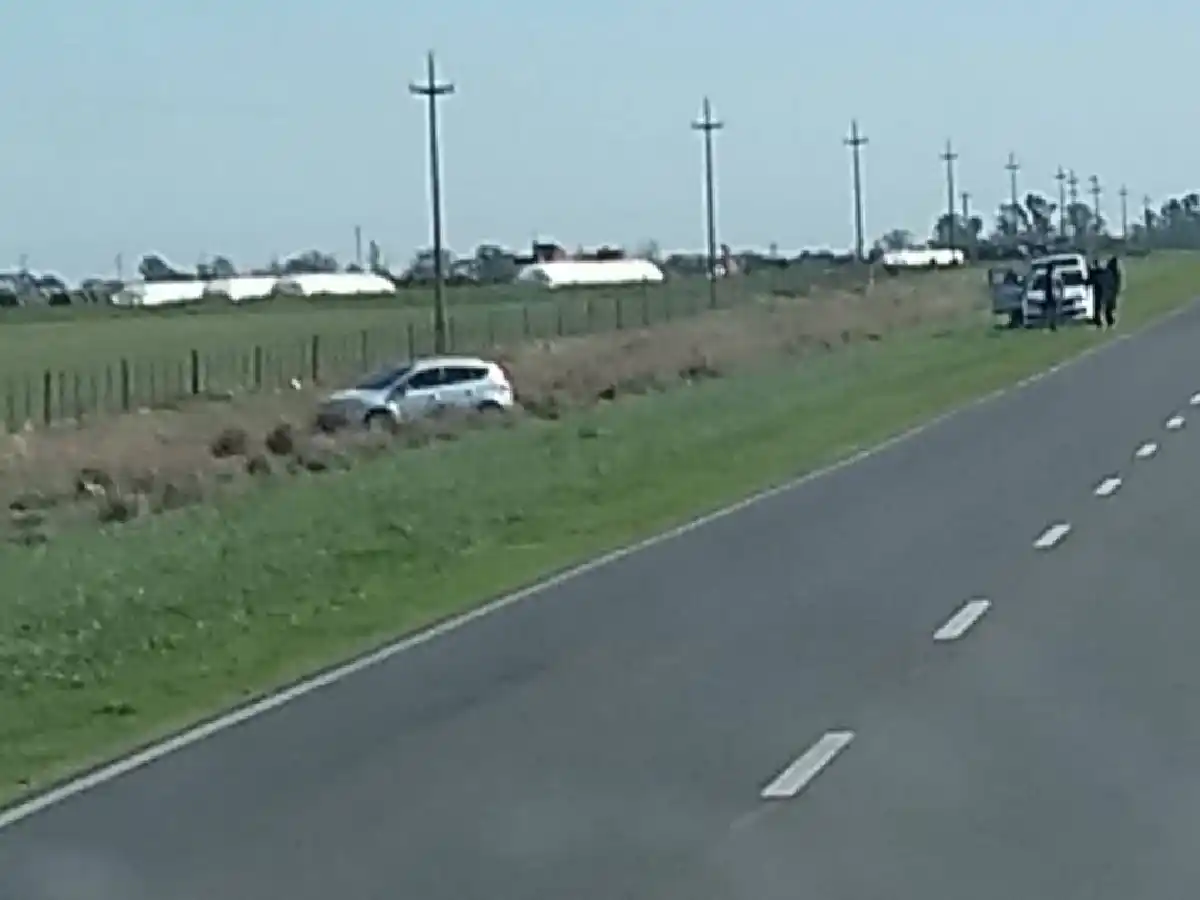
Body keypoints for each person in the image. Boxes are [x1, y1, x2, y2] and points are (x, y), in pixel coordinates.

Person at [1103, 256, 1122, 327]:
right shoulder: (1116, 271)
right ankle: (1110, 320)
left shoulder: (1109, 270)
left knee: (1109, 307)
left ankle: (1110, 321)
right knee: (1110, 306)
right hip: (1113, 290)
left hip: (1109, 290)